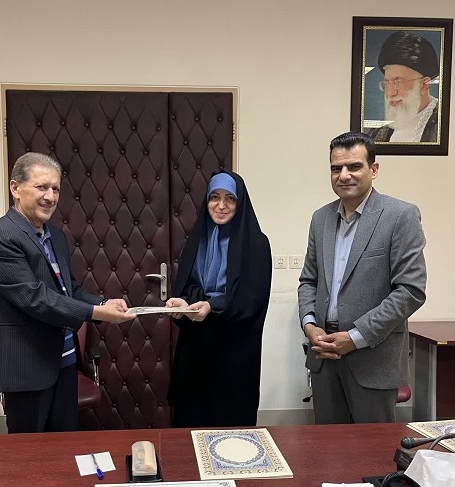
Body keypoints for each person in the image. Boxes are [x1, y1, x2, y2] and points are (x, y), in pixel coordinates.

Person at [0, 152, 136, 433]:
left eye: (55, 189)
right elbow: (34, 298)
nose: (50, 197)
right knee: (29, 452)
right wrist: (95, 312)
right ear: (15, 188)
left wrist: (102, 302)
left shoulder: (56, 236)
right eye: (41, 187)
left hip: (64, 361)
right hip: (26, 367)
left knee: (64, 444)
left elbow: (69, 289)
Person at [298, 132, 427, 424]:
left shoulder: (400, 216)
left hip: (373, 357)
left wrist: (355, 338)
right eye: (336, 168)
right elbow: (309, 280)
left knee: (373, 448)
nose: (344, 175)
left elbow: (410, 290)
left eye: (354, 166)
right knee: (328, 446)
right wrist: (309, 325)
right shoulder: (320, 219)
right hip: (324, 355)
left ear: (374, 169)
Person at [165, 171, 272, 427]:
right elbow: (188, 285)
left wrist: (212, 305)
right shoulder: (197, 239)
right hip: (196, 345)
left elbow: (252, 298)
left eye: (229, 198)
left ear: (240, 202)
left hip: (234, 349)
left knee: (229, 426)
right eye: (214, 197)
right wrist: (185, 303)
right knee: (191, 422)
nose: (221, 205)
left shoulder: (256, 244)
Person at [369, 31, 440, 143]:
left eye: (398, 82)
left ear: (424, 85)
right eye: (387, 83)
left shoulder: (442, 125)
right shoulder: (379, 132)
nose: (390, 93)